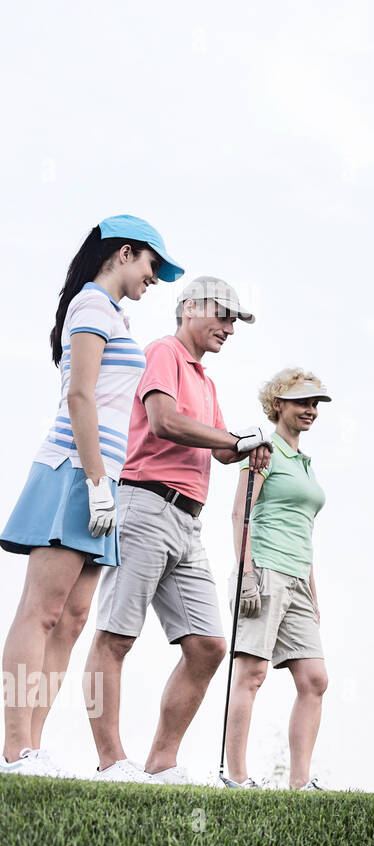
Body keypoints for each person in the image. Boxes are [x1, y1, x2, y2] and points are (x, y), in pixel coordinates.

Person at [0, 216, 183, 778]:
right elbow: (79, 398)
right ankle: (14, 749)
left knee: (74, 616)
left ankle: (33, 746)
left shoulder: (116, 316)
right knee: (42, 610)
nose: (155, 279)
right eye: (153, 266)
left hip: (100, 476)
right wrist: (100, 484)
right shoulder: (91, 306)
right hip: (74, 474)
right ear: (124, 253)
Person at [83, 276, 272, 784]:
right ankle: (110, 762)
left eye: (236, 321)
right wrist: (232, 438)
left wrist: (248, 447)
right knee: (116, 636)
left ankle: (160, 763)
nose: (230, 328)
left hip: (187, 522)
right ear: (189, 308)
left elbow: (218, 447)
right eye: (224, 315)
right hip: (145, 505)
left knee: (209, 646)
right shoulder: (164, 351)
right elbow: (163, 421)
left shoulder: (206, 381)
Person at [221, 369, 331, 792]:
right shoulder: (265, 452)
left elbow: (303, 529)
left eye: (316, 404)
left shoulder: (305, 464)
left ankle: (300, 783)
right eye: (303, 402)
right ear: (279, 404)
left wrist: (312, 589)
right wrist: (246, 573)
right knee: (251, 672)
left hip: (299, 580)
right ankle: (236, 776)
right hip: (264, 570)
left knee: (315, 679)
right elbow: (239, 514)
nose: (311, 410)